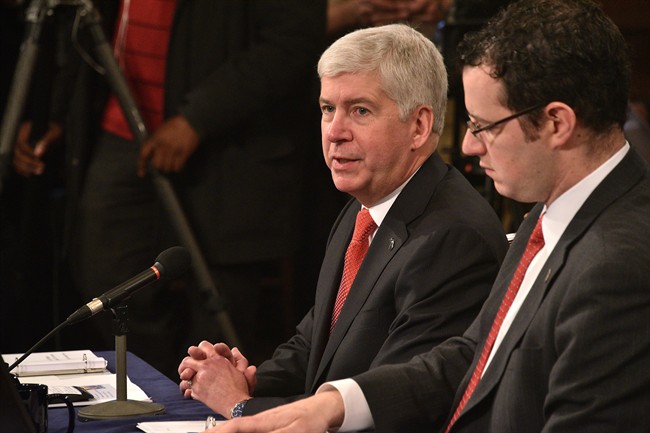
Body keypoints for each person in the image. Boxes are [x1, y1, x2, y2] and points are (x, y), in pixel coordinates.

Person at [204, 0, 650, 431]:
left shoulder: (617, 266)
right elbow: (469, 354)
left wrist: (247, 408)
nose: (471, 147)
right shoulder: (547, 215)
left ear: (557, 123)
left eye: (484, 126)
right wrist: (335, 405)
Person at [177, 24, 509, 420]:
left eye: (360, 111)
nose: (334, 132)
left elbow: (390, 409)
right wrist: (250, 380)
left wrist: (241, 406)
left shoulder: (453, 240)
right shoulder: (365, 205)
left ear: (419, 126)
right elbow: (316, 344)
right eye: (327, 109)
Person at [11, 0, 327, 379]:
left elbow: (291, 40)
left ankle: (210, 407)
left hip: (227, 145)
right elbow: (89, 27)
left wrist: (197, 118)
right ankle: (152, 389)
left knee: (219, 302)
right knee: (104, 277)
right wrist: (61, 114)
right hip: (119, 132)